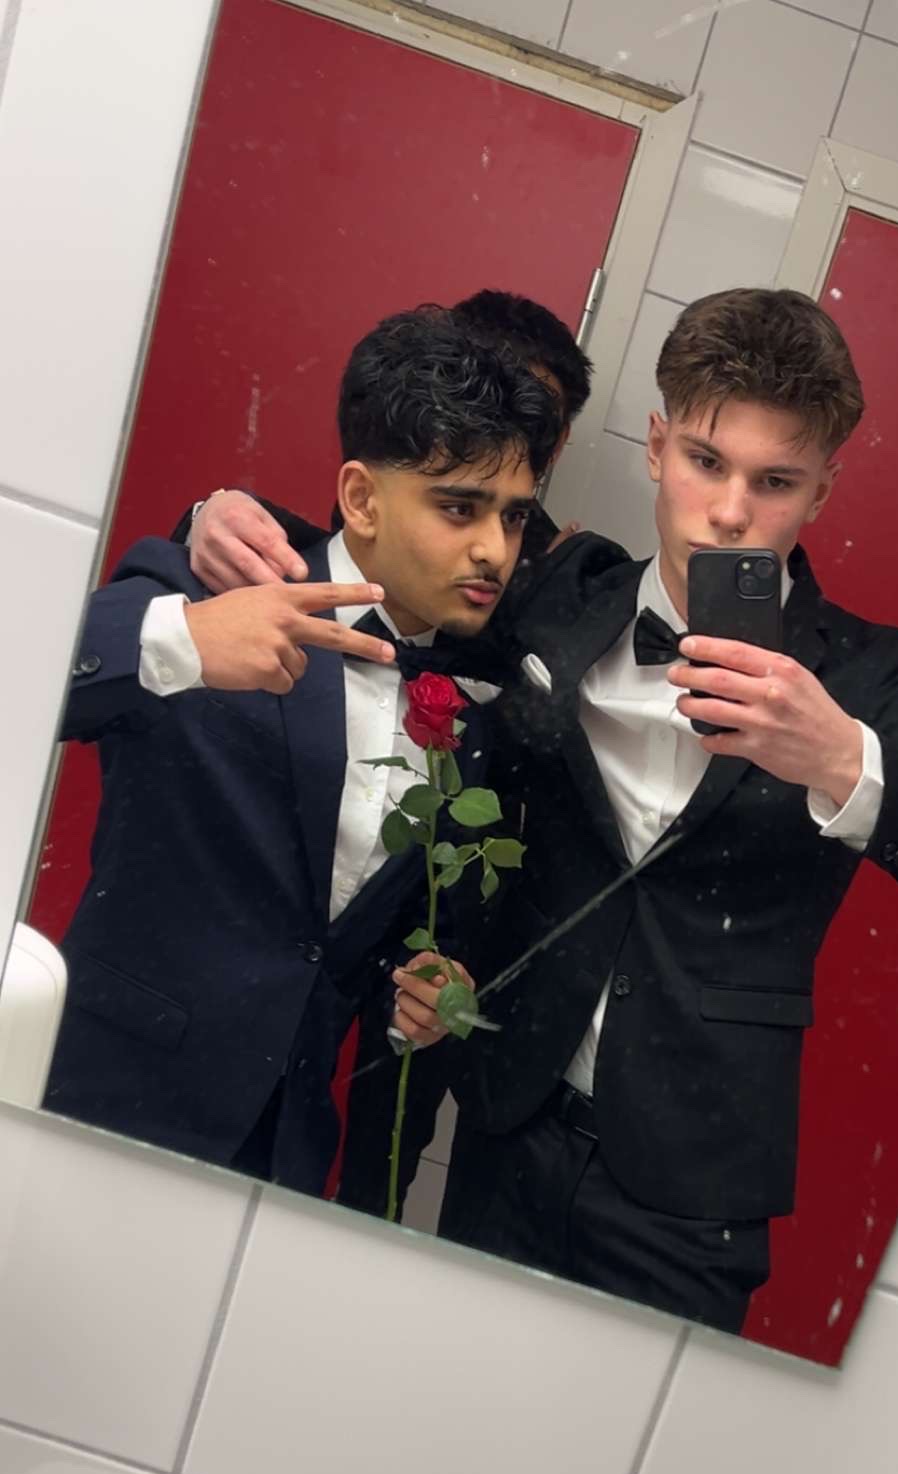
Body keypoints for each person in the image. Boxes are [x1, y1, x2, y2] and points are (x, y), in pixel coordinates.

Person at [395, 287, 898, 1333]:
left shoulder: (869, 676)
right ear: (656, 448)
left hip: (693, 1187)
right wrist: (219, 522)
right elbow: (394, 589)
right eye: (706, 461)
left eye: (775, 481)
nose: (731, 513)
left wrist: (840, 758)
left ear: (822, 491)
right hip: (507, 1114)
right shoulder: (564, 591)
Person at [45, 307, 559, 1194]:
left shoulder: (467, 717)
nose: (494, 550)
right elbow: (38, 681)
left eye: (514, 518)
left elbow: (344, 939)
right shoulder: (207, 589)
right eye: (459, 507)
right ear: (360, 498)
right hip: (102, 1102)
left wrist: (415, 994)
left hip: (282, 1152)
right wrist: (184, 638)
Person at [174, 289, 593, 1217]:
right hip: (158, 1051)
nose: (493, 547)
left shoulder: (551, 582)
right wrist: (200, 526)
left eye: (535, 431)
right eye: (462, 500)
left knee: (371, 1183)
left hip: (392, 1000)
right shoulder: (267, 566)